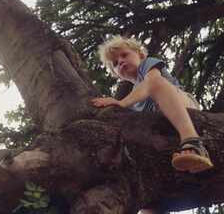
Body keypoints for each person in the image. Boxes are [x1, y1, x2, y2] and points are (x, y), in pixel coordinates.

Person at [91, 35, 214, 174]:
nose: (120, 61)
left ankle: (192, 141)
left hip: (184, 105)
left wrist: (121, 103)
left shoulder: (147, 65)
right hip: (165, 123)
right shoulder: (134, 99)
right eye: (115, 63)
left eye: (124, 55)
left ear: (140, 54)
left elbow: (152, 82)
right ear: (116, 74)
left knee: (156, 83)